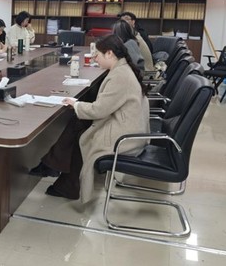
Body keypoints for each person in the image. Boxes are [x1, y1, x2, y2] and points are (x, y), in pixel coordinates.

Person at [29, 34, 149, 203]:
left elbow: (99, 110)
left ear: (109, 53)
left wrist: (76, 104)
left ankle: (58, 172)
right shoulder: (121, 69)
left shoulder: (120, 75)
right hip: (127, 127)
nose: (94, 58)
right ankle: (60, 175)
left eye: (97, 55)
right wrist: (78, 106)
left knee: (83, 135)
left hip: (125, 138)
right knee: (79, 123)